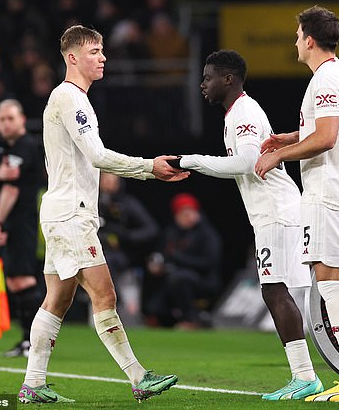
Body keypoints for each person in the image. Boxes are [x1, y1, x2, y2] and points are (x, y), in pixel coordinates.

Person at [17, 24, 188, 404]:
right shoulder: (71, 99)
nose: (103, 57)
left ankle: (33, 383)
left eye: (102, 50)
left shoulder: (69, 98)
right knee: (104, 294)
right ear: (72, 57)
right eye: (95, 51)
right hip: (71, 215)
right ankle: (139, 377)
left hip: (63, 212)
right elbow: (97, 156)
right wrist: (149, 167)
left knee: (56, 301)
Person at [172, 49, 323, 399]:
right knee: (282, 290)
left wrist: (190, 161)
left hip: (277, 211)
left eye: (209, 77)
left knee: (275, 289)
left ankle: (306, 376)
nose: (202, 84)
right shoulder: (236, 113)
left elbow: (247, 162)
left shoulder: (245, 112)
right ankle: (308, 374)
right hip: (271, 212)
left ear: (228, 79)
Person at [255, 6, 339, 402]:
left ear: (309, 39)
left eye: (296, 36)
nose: (295, 42)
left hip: (328, 195)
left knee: (332, 284)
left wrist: (279, 156)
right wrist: (291, 138)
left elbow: (326, 137)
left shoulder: (325, 79)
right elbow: (330, 132)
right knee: (337, 283)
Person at [0, 99, 44, 358]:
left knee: (25, 279)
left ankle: (37, 340)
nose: (5, 124)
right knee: (14, 282)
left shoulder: (26, 146)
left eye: (10, 119)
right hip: (9, 223)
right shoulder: (0, 146)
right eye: (1, 119)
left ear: (22, 120)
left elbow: (11, 184)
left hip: (22, 221)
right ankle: (27, 339)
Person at [143, 193, 222, 330]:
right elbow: (162, 255)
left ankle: (191, 319)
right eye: (183, 213)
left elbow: (210, 263)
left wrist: (178, 259)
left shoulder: (206, 234)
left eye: (191, 212)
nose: (188, 217)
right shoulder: (171, 233)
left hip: (202, 280)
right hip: (171, 279)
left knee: (180, 278)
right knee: (155, 308)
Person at [98, 172, 158, 322]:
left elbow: (151, 229)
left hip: (122, 254)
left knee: (106, 263)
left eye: (112, 179)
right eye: (105, 179)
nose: (108, 183)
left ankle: (113, 305)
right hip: (93, 250)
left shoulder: (128, 204)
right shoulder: (91, 201)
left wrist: (125, 236)